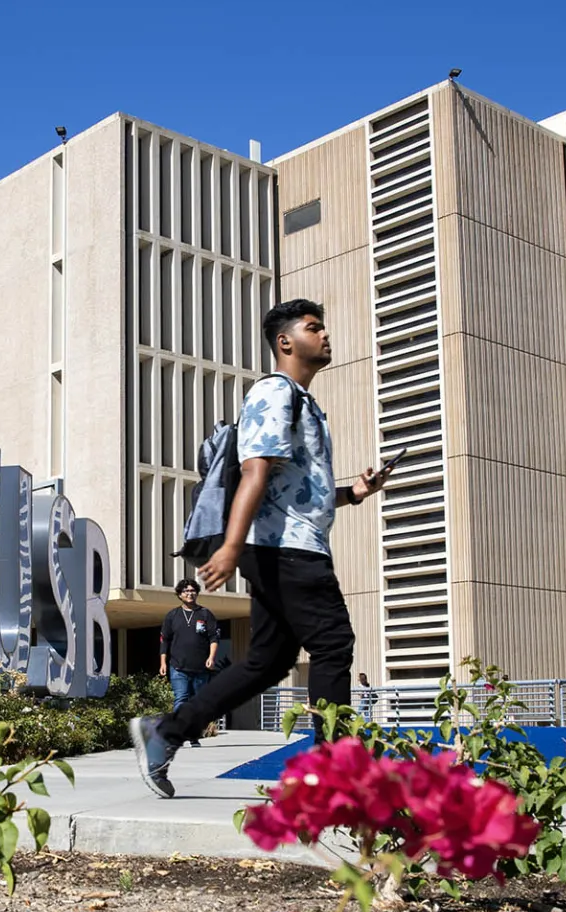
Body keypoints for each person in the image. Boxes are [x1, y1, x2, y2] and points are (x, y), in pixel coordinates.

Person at [129, 299, 388, 798]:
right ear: (285, 342)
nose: (325, 335)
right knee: (333, 644)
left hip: (289, 544)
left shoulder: (305, 403)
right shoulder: (275, 392)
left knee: (268, 661)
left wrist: (354, 492)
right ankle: (335, 774)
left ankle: (165, 732)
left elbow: (299, 492)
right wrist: (230, 547)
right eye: (314, 328)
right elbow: (254, 471)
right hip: (285, 548)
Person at [158, 578, 221, 748]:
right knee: (181, 699)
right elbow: (164, 640)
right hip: (178, 666)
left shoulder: (205, 614)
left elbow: (214, 638)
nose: (189, 593)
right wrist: (163, 662)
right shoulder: (172, 615)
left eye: (193, 590)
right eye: (186, 591)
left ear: (197, 593)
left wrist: (211, 657)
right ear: (180, 594)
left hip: (201, 668)